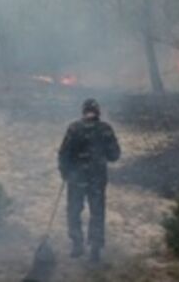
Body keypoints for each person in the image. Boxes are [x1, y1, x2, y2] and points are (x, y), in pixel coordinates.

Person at [58, 98, 121, 264]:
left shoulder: (73, 128)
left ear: (83, 111)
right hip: (97, 180)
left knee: (73, 211)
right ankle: (95, 249)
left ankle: (77, 244)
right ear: (98, 112)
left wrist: (65, 172)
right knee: (97, 213)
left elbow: (63, 154)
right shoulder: (105, 129)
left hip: (76, 179)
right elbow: (115, 155)